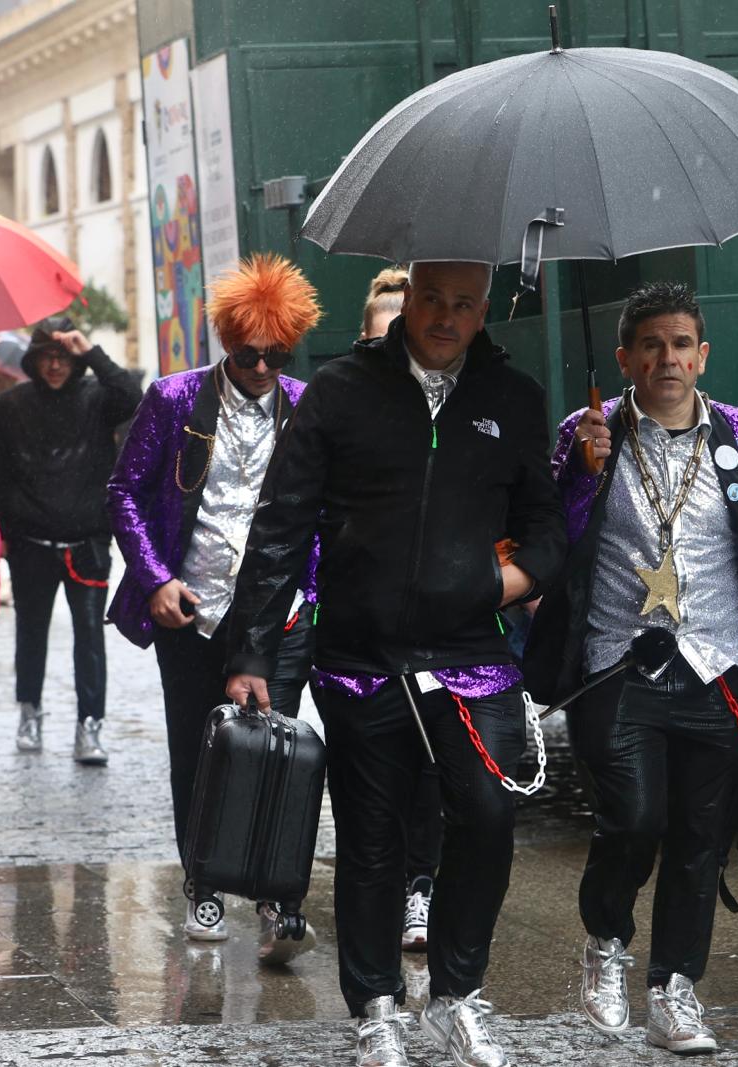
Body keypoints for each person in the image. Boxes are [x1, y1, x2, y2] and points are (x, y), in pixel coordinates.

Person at [225, 260, 566, 1067]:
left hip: (471, 654)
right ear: (407, 301)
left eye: (463, 304)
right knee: (373, 837)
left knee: (485, 815)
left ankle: (455, 996)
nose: (445, 317)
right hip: (361, 654)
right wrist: (252, 650)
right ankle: (375, 1006)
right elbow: (279, 526)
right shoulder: (342, 390)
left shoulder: (511, 399)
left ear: (485, 311)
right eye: (431, 300)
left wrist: (503, 581)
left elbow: (546, 525)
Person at [523, 281, 738, 1054]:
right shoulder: (587, 433)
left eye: (682, 344)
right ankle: (605, 941)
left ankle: (675, 990)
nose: (669, 359)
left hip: (719, 665)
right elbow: (551, 548)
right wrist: (580, 475)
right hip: (616, 664)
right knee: (634, 815)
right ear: (625, 357)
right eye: (652, 345)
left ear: (704, 355)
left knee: (702, 834)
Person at [107, 253, 323, 959]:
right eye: (249, 353)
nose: (262, 367)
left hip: (279, 611)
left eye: (276, 354)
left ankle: (276, 901)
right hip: (190, 608)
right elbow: (125, 494)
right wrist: (156, 578)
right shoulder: (173, 399)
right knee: (196, 750)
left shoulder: (304, 404)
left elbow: (325, 513)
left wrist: (310, 596)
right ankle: (201, 881)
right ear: (228, 341)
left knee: (276, 751)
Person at [0, 317, 142, 762]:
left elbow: (132, 396)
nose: (54, 365)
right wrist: (8, 529)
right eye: (46, 357)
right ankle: (29, 711)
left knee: (90, 636)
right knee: (30, 634)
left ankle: (90, 724)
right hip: (31, 542)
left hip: (86, 542)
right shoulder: (11, 405)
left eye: (62, 357)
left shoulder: (96, 398)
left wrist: (89, 351)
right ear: (32, 360)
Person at [360, 266, 443, 956]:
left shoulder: (455, 403)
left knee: (429, 767)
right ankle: (380, 886)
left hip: (440, 628)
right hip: (359, 630)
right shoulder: (346, 404)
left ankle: (421, 885)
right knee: (372, 774)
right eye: (383, 323)